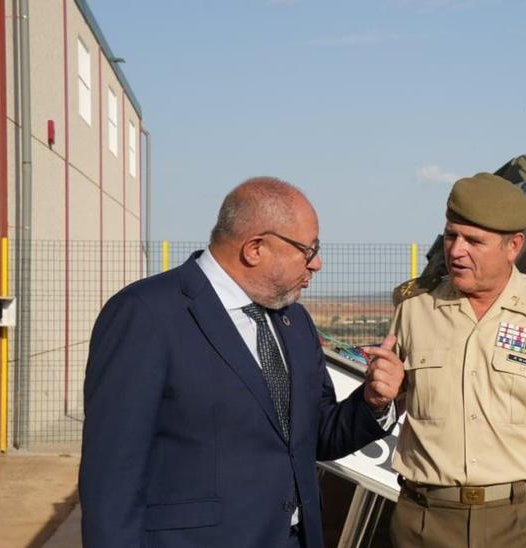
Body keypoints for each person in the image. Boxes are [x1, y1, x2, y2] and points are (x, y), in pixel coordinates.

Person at [79, 177, 402, 548]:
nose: (317, 263)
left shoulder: (294, 322)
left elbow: (316, 436)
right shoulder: (147, 314)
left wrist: (373, 403)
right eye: (308, 249)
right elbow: (112, 478)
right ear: (255, 248)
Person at [376, 172, 526, 548]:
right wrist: (379, 397)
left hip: (525, 524)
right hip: (426, 523)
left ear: (513, 246)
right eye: (452, 235)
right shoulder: (413, 309)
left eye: (474, 241)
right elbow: (388, 404)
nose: (456, 251)